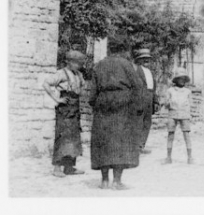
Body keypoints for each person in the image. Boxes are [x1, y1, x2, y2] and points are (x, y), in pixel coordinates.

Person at [89, 49, 144, 190]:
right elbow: (138, 85)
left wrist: (96, 104)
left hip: (103, 103)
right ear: (122, 50)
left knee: (104, 142)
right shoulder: (126, 64)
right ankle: (117, 181)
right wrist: (137, 106)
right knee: (121, 141)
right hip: (123, 104)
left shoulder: (99, 65)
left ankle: (104, 181)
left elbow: (92, 92)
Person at [43, 49, 86, 178]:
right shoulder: (61, 74)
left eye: (80, 63)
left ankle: (69, 167)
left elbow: (82, 87)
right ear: (69, 62)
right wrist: (56, 99)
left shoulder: (78, 74)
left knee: (73, 138)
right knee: (62, 137)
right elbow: (46, 83)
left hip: (75, 109)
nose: (78, 65)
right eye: (76, 63)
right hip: (64, 110)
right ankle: (57, 168)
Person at [163, 68, 193, 165]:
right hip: (173, 114)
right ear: (176, 80)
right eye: (180, 78)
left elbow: (190, 103)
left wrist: (187, 112)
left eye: (183, 79)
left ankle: (190, 157)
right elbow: (166, 103)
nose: (182, 80)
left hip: (184, 115)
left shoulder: (188, 91)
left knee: (187, 135)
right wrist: (170, 103)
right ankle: (168, 157)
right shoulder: (170, 90)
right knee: (170, 135)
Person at [132, 48, 158, 155]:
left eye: (148, 59)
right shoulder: (137, 71)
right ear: (139, 60)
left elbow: (153, 89)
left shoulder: (151, 73)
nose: (146, 61)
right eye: (144, 59)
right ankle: (135, 146)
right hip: (140, 100)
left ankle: (142, 145)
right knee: (138, 122)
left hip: (149, 99)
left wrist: (155, 101)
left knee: (147, 123)